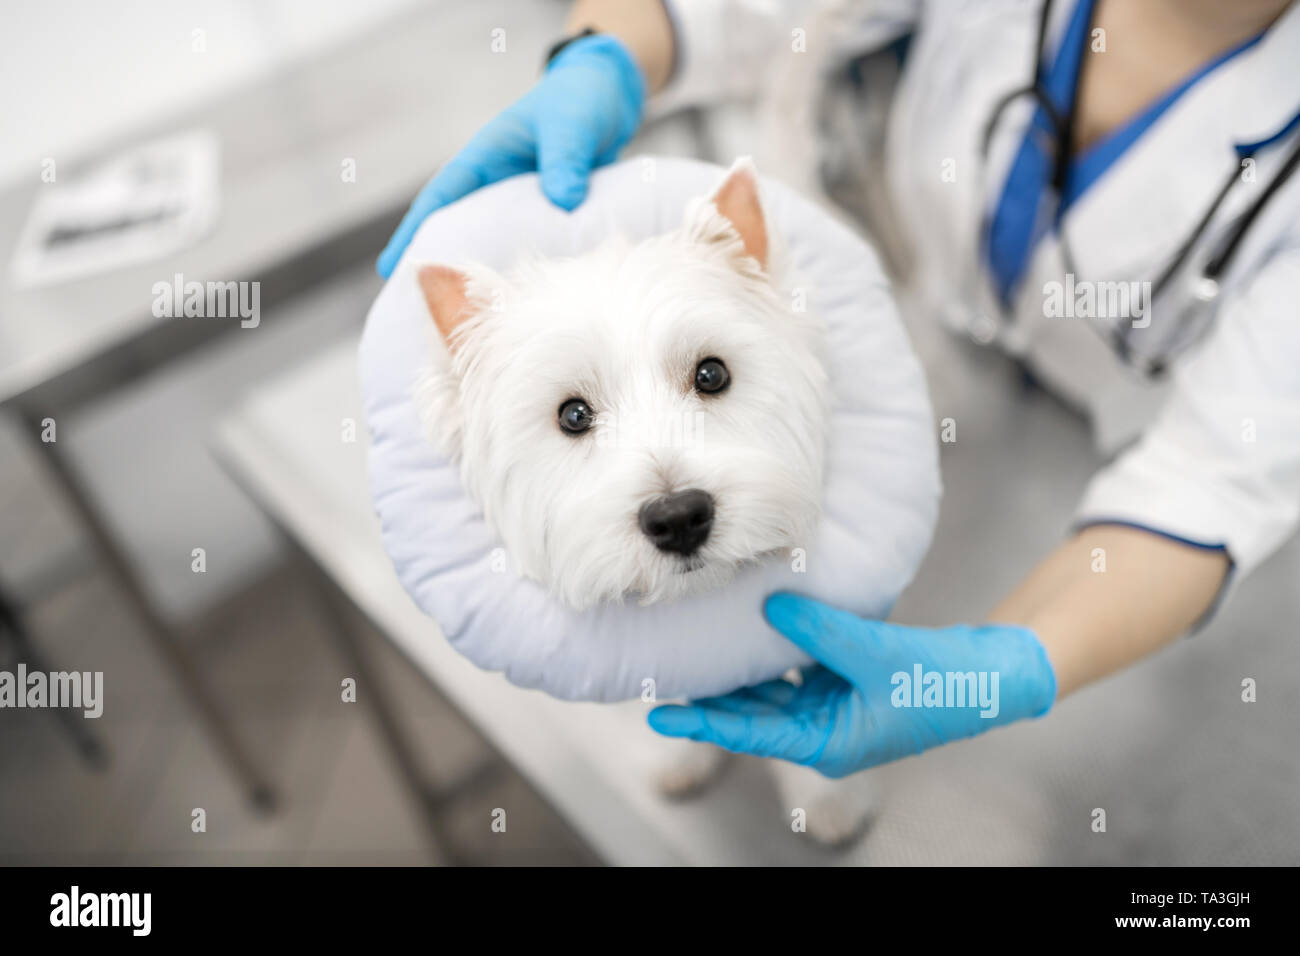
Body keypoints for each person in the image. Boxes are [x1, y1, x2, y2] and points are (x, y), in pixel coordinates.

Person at [377, 0, 1300, 776]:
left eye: (705, 376)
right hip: (931, 349)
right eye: (577, 414)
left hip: (1123, 449)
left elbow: (1212, 481)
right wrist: (606, 53)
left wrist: (999, 671)